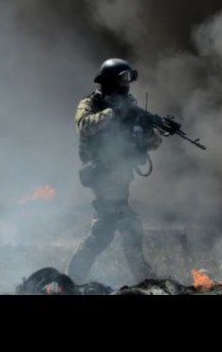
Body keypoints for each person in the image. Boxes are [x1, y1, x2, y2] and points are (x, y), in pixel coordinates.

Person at [67, 58, 162, 284]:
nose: (127, 84)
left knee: (102, 235)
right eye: (123, 79)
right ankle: (146, 279)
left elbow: (151, 143)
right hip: (100, 175)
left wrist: (147, 131)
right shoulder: (91, 103)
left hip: (121, 176)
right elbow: (83, 125)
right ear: (109, 81)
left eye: (129, 79)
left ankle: (70, 279)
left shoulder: (131, 107)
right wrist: (113, 114)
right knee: (130, 226)